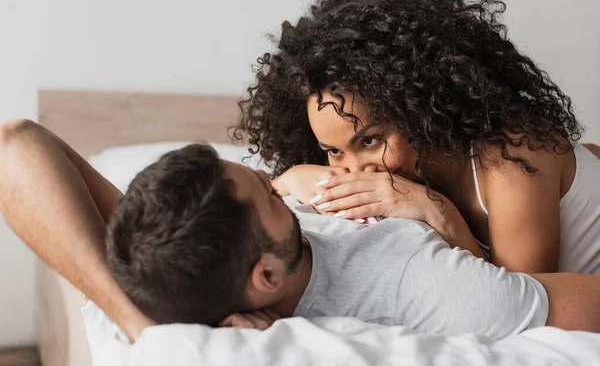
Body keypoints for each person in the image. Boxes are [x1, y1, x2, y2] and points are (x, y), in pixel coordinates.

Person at [2, 122, 599, 341]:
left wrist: (134, 322)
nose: (271, 177)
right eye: (266, 194)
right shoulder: (420, 284)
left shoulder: (163, 250)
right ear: (264, 277)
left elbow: (16, 144)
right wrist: (439, 215)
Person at [233, 0, 600, 274]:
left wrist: (437, 212)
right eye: (333, 151)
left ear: (421, 107)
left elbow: (523, 302)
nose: (355, 170)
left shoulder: (512, 160)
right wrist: (296, 177)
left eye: (370, 141)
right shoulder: (400, 173)